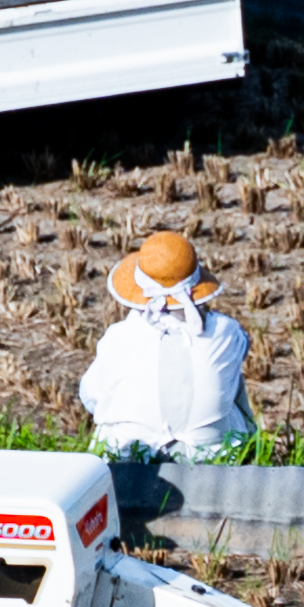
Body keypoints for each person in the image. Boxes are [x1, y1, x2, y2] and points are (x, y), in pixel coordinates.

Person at [82, 228, 253, 533]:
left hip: (125, 454)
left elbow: (91, 397)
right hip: (211, 452)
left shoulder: (118, 337)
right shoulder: (226, 331)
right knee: (229, 390)